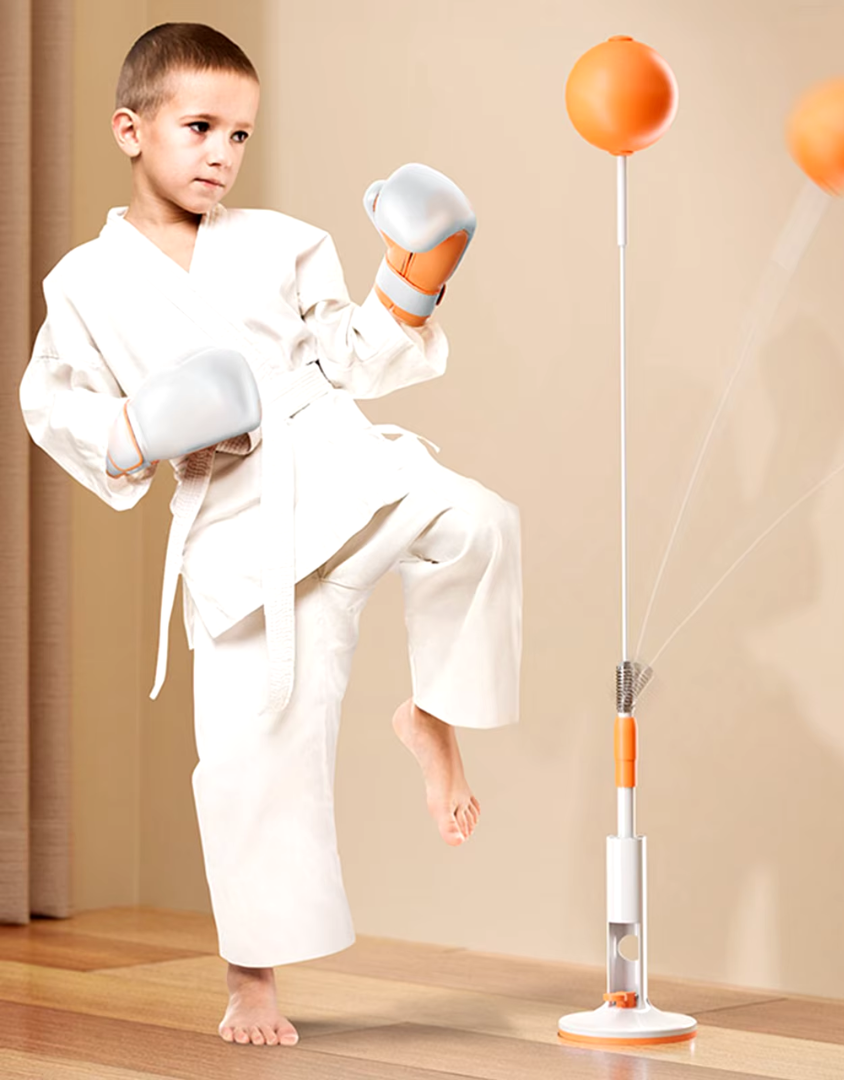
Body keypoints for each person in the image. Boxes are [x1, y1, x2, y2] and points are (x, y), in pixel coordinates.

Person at [18, 22, 522, 1049]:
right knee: (252, 757)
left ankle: (432, 715)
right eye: (200, 127)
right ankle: (252, 982)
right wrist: (138, 429)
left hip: (334, 465)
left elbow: (352, 358)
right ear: (130, 129)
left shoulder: (284, 241)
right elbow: (53, 403)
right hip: (237, 531)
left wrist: (415, 277)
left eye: (240, 135)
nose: (222, 154)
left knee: (477, 521)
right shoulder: (82, 283)